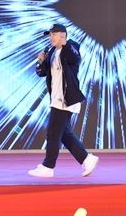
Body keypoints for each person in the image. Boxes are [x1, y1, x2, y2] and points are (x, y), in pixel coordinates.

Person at [28, 23, 99, 178]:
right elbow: (41, 73)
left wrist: (65, 43)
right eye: (50, 35)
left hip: (66, 99)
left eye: (53, 34)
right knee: (64, 134)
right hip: (56, 99)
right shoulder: (51, 52)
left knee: (53, 132)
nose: (50, 38)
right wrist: (40, 61)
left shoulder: (71, 49)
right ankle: (87, 159)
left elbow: (75, 57)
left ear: (62, 35)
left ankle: (48, 166)